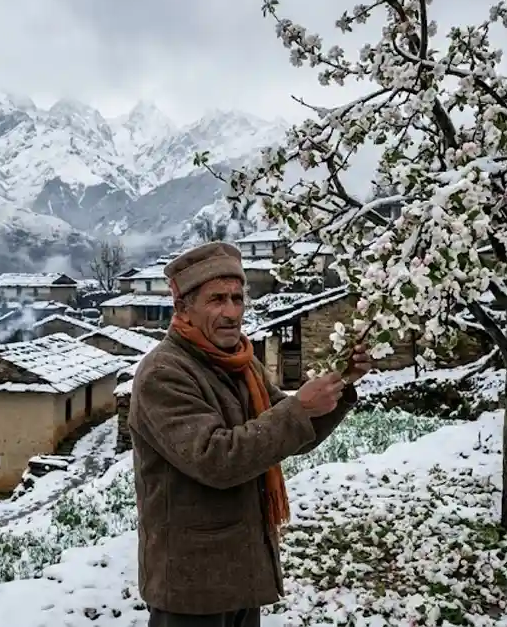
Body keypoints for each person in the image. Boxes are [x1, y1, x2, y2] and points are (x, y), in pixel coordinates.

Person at [128, 241, 372, 627]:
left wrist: (340, 384)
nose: (232, 312)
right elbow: (216, 459)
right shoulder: (165, 373)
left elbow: (287, 431)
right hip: (192, 584)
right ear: (183, 309)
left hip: (240, 570)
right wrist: (300, 408)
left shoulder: (243, 363)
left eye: (238, 298)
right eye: (217, 300)